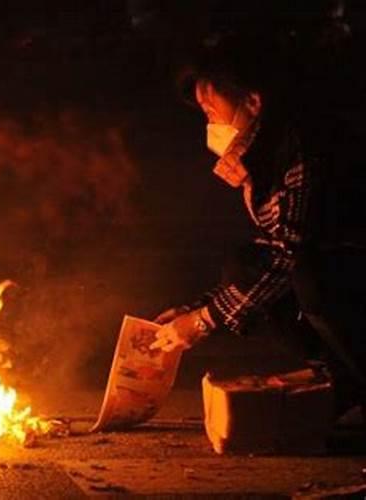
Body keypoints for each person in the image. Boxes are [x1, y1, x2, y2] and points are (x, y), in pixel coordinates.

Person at [149, 33, 366, 420]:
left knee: (309, 277)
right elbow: (268, 250)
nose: (210, 123)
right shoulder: (264, 157)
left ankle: (354, 375)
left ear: (253, 101)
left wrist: (201, 322)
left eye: (212, 110)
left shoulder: (303, 151)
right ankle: (339, 378)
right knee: (244, 262)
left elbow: (287, 255)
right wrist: (194, 309)